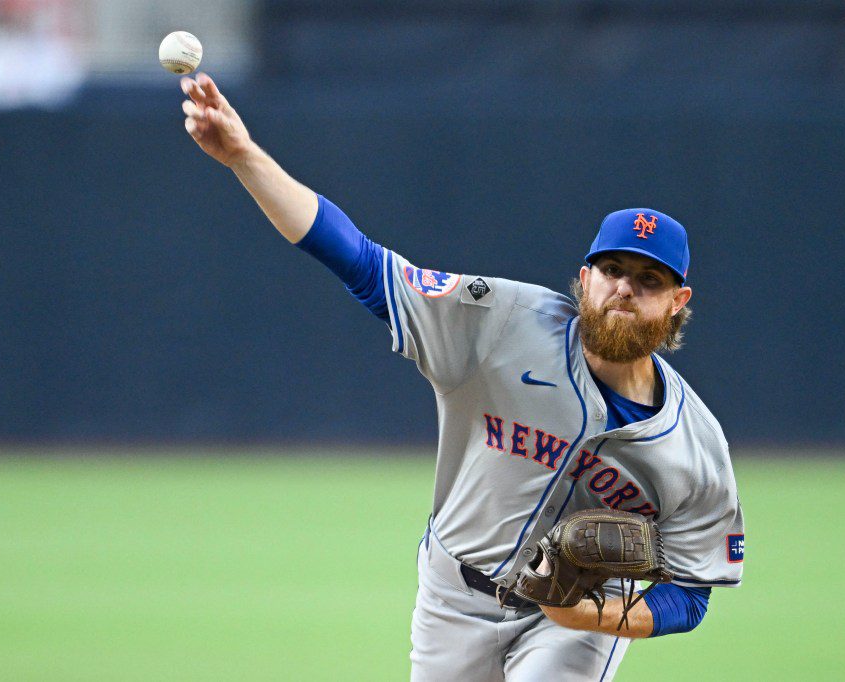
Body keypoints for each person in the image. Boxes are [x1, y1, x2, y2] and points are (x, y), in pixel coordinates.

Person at [179, 73, 744, 681]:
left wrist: (595, 617)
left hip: (576, 626)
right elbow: (363, 263)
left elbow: (692, 591)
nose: (625, 288)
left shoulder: (696, 446)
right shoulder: (503, 323)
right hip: (454, 596)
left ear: (679, 301)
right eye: (611, 270)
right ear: (584, 280)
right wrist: (244, 157)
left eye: (649, 280)